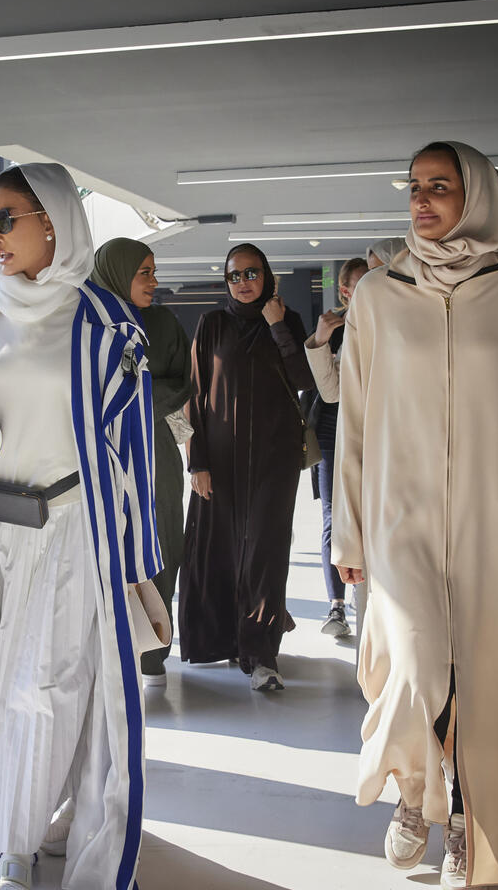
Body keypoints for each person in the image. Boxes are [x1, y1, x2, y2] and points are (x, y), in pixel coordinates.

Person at [333, 141, 498, 889]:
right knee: (415, 670)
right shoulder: (378, 295)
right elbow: (354, 421)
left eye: (439, 185)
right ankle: (418, 790)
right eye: (415, 185)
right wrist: (349, 532)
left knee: (495, 683)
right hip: (402, 518)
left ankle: (465, 821)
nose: (421, 199)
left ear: (475, 195)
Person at [0, 164, 159, 890]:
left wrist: (138, 560)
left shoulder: (107, 324)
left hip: (70, 529)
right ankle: (20, 819)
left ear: (52, 220)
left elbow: (135, 447)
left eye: (5, 219)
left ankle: (16, 851)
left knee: (42, 686)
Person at [182, 242, 315, 691]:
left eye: (251, 273)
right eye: (234, 275)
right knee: (218, 549)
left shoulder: (286, 321)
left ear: (268, 276)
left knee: (265, 552)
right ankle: (227, 638)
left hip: (275, 460)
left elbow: (304, 380)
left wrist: (277, 326)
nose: (243, 282)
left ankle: (262, 655)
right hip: (218, 462)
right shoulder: (212, 324)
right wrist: (196, 461)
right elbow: (193, 396)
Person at [92, 236, 193, 686]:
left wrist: (131, 393)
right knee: (110, 547)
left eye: (154, 272)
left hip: (156, 453)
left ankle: (153, 652)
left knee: (160, 543)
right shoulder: (87, 323)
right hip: (103, 454)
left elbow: (182, 385)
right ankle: (110, 654)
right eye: (144, 273)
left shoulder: (164, 323)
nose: (154, 282)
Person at [306, 256, 368, 638]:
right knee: (334, 515)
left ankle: (371, 597)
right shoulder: (336, 330)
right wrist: (320, 341)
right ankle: (337, 605)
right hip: (333, 430)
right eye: (362, 283)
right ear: (344, 291)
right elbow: (331, 393)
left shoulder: (388, 322)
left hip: (373, 431)